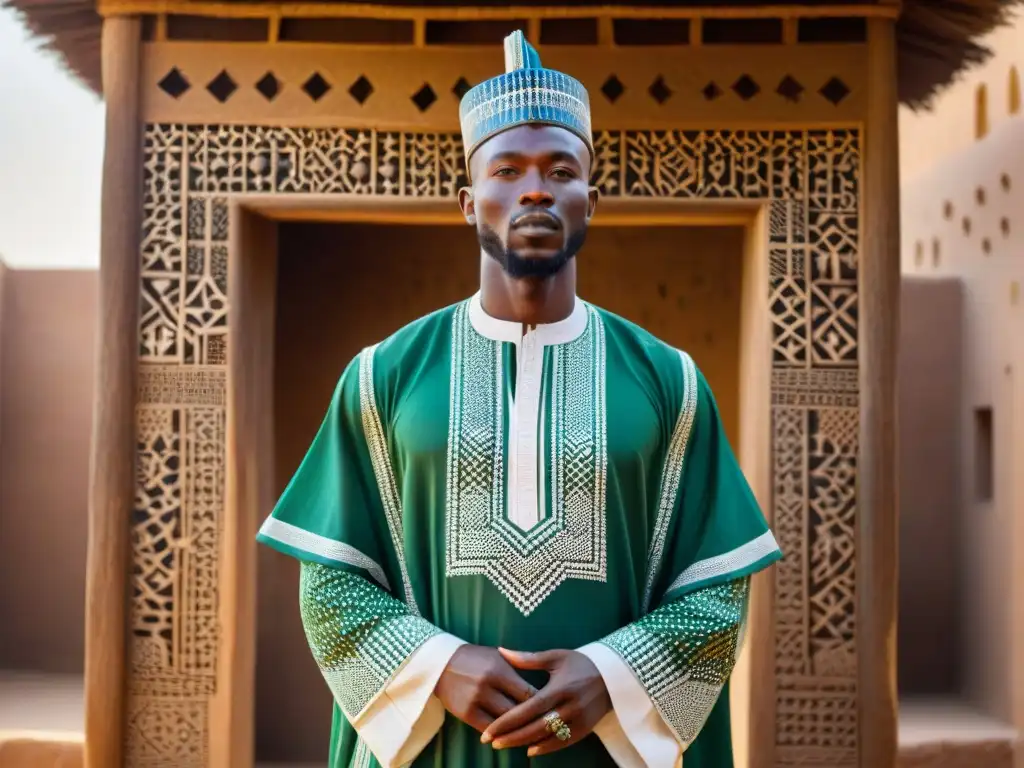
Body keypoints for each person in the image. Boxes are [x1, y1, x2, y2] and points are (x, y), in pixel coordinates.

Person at [256, 29, 782, 768]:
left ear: (589, 202)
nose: (535, 187)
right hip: (437, 752)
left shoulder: (670, 382)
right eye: (507, 169)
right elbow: (331, 583)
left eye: (559, 169)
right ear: (468, 203)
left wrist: (613, 676)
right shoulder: (383, 376)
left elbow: (718, 595)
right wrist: (437, 665)